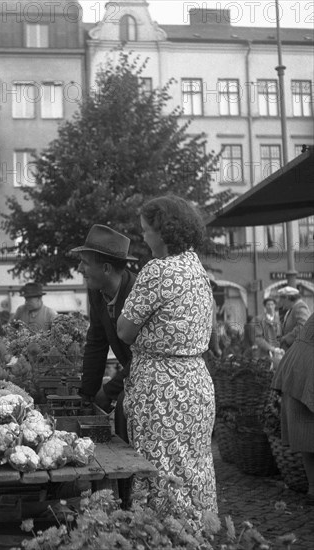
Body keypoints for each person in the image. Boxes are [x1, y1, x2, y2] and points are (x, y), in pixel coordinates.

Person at [117, 195, 217, 523]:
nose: (143, 237)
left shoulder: (158, 270)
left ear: (163, 231)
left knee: (157, 469)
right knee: (194, 468)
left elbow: (125, 330)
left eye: (146, 231)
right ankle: (197, 534)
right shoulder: (197, 269)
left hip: (162, 387)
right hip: (197, 383)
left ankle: (163, 537)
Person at [70, 224, 137, 441]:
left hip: (155, 378)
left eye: (85, 263)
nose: (79, 268)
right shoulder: (97, 291)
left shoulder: (138, 294)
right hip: (133, 372)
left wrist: (108, 391)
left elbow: (143, 357)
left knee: (125, 416)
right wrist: (87, 395)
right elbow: (97, 342)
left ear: (106, 268)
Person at [272, 313, 314, 504]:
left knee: (307, 433)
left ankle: (313, 487)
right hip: (306, 366)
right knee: (307, 431)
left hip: (299, 363)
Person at [278, 286, 311, 351]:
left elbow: (303, 326)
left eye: (282, 300)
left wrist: (286, 338)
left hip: (299, 350)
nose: (281, 303)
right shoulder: (292, 308)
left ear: (287, 298)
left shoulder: (300, 307)